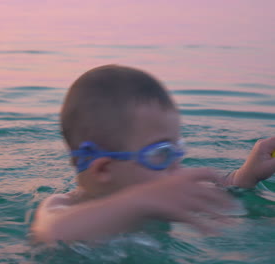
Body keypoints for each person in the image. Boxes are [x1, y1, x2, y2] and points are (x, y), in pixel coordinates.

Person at [31, 64, 275, 243]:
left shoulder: (158, 193)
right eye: (162, 153)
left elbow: (208, 195)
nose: (178, 166)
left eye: (177, 150)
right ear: (104, 169)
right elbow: (51, 232)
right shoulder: (62, 207)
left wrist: (244, 177)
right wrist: (139, 201)